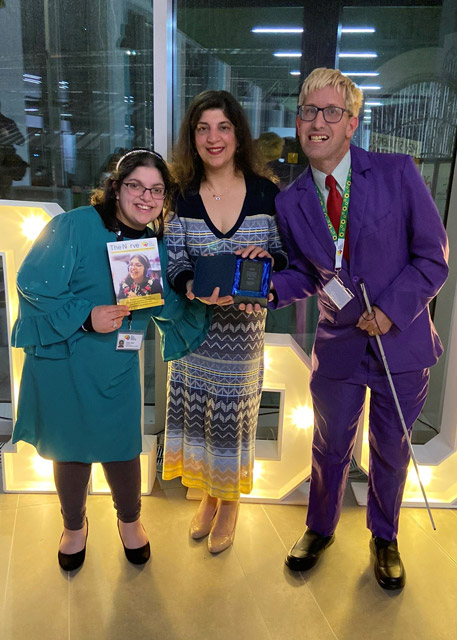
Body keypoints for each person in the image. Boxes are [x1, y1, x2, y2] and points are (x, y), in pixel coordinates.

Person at [270, 68, 448, 589]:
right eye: (308, 112)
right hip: (339, 345)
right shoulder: (291, 200)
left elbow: (432, 259)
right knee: (328, 446)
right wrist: (268, 286)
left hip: (402, 342)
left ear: (352, 122)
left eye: (330, 112)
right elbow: (307, 272)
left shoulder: (397, 172)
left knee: (390, 447)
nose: (316, 123)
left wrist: (391, 310)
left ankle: (384, 537)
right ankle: (319, 527)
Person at [12, 148, 209, 571]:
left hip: (117, 362)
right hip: (66, 358)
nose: (145, 197)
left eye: (156, 190)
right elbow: (33, 282)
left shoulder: (150, 244)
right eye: (136, 185)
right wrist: (85, 317)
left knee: (121, 445)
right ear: (116, 187)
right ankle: (73, 526)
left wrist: (199, 296)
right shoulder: (73, 225)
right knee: (71, 449)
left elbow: (160, 304)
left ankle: (130, 521)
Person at [162, 90, 288, 553]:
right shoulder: (181, 195)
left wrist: (267, 258)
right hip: (195, 334)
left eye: (223, 127)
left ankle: (229, 501)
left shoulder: (265, 192)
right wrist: (190, 286)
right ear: (192, 138)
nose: (213, 138)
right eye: (202, 129)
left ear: (238, 134)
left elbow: (286, 256)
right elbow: (175, 260)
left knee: (233, 422)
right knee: (201, 421)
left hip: (243, 337)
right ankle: (210, 498)